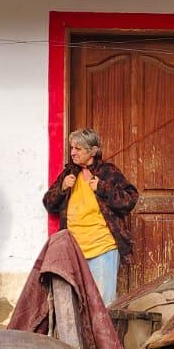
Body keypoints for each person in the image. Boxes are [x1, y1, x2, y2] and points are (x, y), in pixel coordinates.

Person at [42, 128, 138, 304]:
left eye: (78, 149)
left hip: (102, 247)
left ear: (92, 151)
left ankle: (103, 333)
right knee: (76, 303)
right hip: (73, 250)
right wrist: (62, 188)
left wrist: (103, 188)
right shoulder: (69, 173)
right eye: (72, 148)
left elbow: (130, 200)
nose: (72, 152)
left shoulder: (107, 172)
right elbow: (48, 203)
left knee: (102, 304)